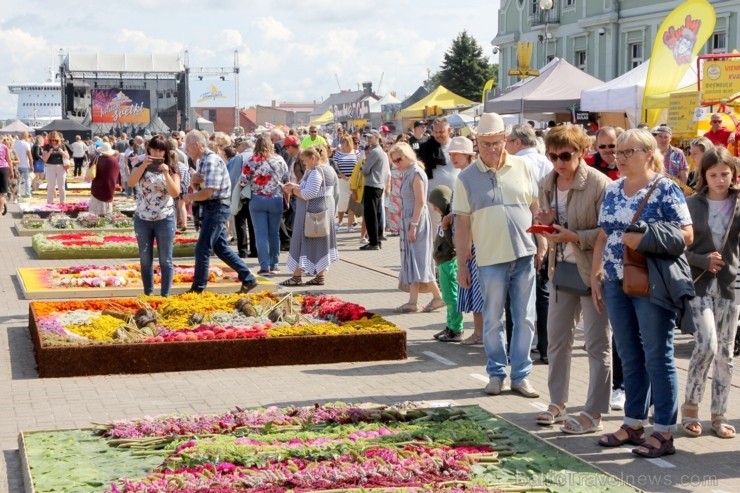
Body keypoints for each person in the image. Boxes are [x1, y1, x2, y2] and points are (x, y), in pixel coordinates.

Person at [593, 128, 694, 458]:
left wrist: (645, 237)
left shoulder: (665, 189)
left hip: (650, 282)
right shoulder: (612, 189)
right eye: (617, 153)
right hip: (615, 281)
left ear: (649, 154)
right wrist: (597, 273)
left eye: (627, 152)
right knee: (628, 353)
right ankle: (634, 422)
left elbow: (686, 234)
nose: (619, 158)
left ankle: (664, 430)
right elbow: (602, 235)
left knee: (657, 354)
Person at [452, 113, 545, 399]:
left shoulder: (523, 167)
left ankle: (521, 375)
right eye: (485, 143)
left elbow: (535, 208)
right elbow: (462, 222)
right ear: (476, 142)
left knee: (526, 318)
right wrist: (462, 264)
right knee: (493, 319)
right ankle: (496, 373)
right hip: (490, 258)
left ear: (506, 140)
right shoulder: (466, 177)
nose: (491, 149)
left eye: (496, 142)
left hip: (524, 254)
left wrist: (541, 242)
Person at [532, 125, 612, 435]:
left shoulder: (599, 184)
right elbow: (548, 226)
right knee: (556, 340)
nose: (559, 163)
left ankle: (594, 411)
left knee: (596, 345)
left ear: (580, 152)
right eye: (552, 156)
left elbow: (608, 232)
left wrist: (574, 236)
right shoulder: (546, 183)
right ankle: (557, 403)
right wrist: (545, 227)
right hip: (559, 271)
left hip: (592, 273)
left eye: (565, 155)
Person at [682, 147, 740, 439]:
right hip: (699, 283)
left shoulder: (738, 203)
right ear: (703, 175)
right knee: (707, 345)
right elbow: (678, 247)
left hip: (731, 286)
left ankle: (719, 414)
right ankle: (691, 407)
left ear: (734, 174)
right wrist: (701, 260)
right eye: (713, 174)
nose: (720, 180)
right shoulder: (692, 204)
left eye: (725, 174)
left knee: (726, 354)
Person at [183, 130, 258, 294]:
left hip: (217, 207)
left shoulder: (210, 161)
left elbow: (209, 191)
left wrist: (190, 197)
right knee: (221, 248)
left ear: (196, 145)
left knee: (203, 248)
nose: (186, 149)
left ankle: (198, 288)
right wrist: (195, 183)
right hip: (212, 207)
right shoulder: (203, 161)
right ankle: (248, 278)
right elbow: (203, 188)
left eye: (188, 145)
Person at [505, 123, 553, 364]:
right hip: (544, 227)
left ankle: (516, 348)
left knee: (516, 293)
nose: (505, 146)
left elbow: (529, 203)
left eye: (507, 141)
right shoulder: (545, 161)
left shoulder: (518, 163)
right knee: (542, 292)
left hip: (525, 230)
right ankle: (544, 347)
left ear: (517, 142)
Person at [388, 142, 444, 313]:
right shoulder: (408, 172)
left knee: (420, 260)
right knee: (413, 260)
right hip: (409, 220)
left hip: (416, 220)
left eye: (398, 159)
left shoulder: (416, 173)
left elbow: (420, 201)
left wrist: (413, 225)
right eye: (394, 161)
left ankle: (438, 297)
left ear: (407, 156)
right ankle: (413, 302)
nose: (396, 163)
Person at [126, 135, 181, 297]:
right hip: (143, 218)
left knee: (166, 260)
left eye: (160, 150)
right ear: (149, 149)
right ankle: (148, 293)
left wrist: (166, 174)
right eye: (154, 149)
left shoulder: (172, 169)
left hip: (165, 218)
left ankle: (165, 295)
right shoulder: (140, 164)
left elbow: (175, 192)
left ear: (165, 152)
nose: (157, 153)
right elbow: (130, 182)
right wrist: (143, 165)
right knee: (145, 259)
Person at [281, 146, 339, 286]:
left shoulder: (316, 172)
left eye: (305, 161)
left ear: (313, 158)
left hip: (311, 214)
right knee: (320, 244)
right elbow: (332, 192)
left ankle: (296, 276)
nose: (304, 164)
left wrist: (292, 190)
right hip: (325, 214)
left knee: (302, 242)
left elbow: (308, 194)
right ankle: (320, 276)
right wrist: (296, 185)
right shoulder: (329, 169)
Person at [446, 136, 484, 346]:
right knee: (470, 287)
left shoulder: (470, 177)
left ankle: (480, 332)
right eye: (451, 154)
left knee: (475, 288)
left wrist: (466, 241)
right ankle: (479, 331)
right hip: (466, 240)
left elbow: (470, 213)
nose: (452, 157)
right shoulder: (463, 176)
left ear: (468, 155)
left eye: (456, 154)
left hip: (472, 242)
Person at [241, 133, 289, 275]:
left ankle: (264, 266)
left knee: (260, 234)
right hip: (276, 199)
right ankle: (274, 265)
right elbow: (286, 179)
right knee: (274, 234)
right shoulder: (279, 160)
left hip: (257, 199)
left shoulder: (251, 160)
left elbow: (243, 181)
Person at [429, 184, 463, 342]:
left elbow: (453, 242)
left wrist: (446, 226)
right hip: (443, 262)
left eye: (436, 207)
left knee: (451, 297)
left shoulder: (450, 220)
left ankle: (456, 329)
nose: (435, 210)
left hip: (449, 262)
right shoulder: (445, 218)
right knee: (447, 296)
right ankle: (450, 325)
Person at [360, 130, 390, 250]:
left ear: (377, 137)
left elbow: (365, 170)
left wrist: (363, 168)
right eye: (367, 137)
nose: (368, 139)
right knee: (377, 213)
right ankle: (377, 239)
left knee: (370, 214)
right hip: (379, 185)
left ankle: (373, 242)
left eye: (370, 137)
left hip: (372, 185)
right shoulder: (381, 151)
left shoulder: (374, 152)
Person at [418, 116, 459, 196]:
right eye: (435, 132)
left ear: (449, 130)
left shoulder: (456, 146)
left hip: (454, 195)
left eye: (441, 132)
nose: (438, 135)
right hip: (431, 197)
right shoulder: (426, 147)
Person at [332, 135, 360, 231]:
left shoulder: (356, 153)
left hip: (353, 180)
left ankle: (349, 224)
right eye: (341, 141)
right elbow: (334, 167)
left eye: (344, 141)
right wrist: (341, 175)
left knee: (352, 202)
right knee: (341, 202)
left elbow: (359, 166)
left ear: (348, 142)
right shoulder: (338, 154)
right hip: (342, 181)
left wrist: (354, 176)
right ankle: (340, 221)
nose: (342, 143)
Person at [89, 143, 120, 215]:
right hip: (109, 187)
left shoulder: (96, 159)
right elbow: (117, 173)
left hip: (97, 187)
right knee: (107, 210)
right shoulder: (114, 160)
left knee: (95, 212)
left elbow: (90, 167)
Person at [41, 131, 70, 204]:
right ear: (49, 140)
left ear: (58, 140)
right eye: (52, 140)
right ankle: (50, 202)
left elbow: (68, 156)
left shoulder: (62, 145)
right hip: (50, 166)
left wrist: (61, 152)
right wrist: (50, 152)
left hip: (61, 166)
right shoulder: (47, 146)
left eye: (55, 140)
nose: (53, 141)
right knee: (51, 186)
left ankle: (62, 202)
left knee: (61, 186)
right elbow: (44, 159)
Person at [12, 131, 32, 199]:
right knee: (27, 180)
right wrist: (32, 165)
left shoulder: (15, 143)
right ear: (26, 136)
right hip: (25, 164)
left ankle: (18, 193)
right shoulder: (26, 144)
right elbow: (29, 156)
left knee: (18, 181)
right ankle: (28, 194)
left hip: (17, 164)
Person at [0, 137, 12, 216]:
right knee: (1, 193)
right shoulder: (4, 147)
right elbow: (9, 160)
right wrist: (11, 171)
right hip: (3, 169)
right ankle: (0, 211)